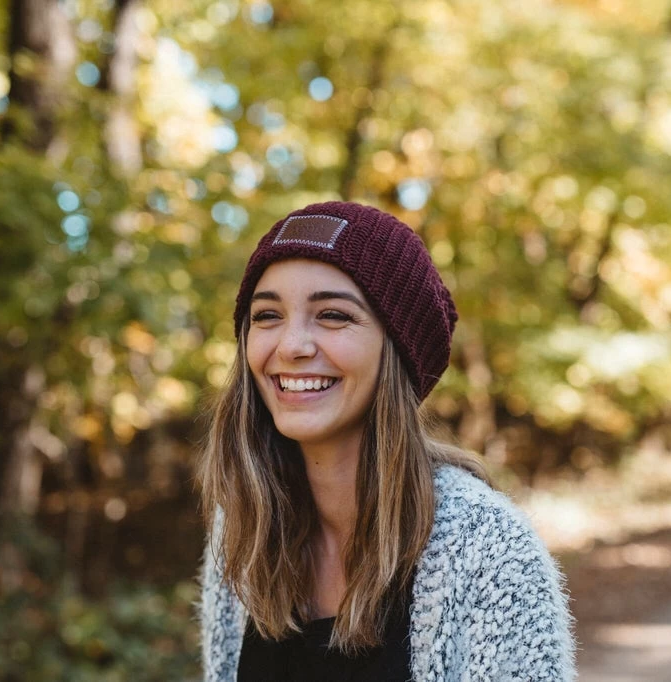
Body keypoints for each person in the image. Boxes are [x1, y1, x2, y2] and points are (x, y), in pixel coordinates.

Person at [197, 201, 575, 681]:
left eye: (333, 315)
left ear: (395, 349)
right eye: (267, 315)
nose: (291, 345)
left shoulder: (487, 551)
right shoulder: (241, 531)